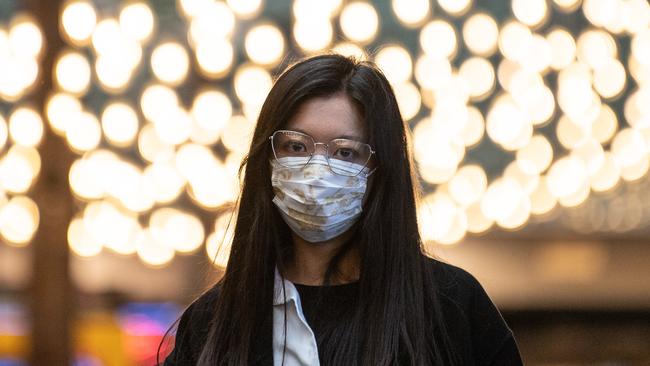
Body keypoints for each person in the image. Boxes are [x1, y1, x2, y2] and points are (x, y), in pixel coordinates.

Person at [160, 53, 524, 366]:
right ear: (265, 160)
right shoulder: (213, 321)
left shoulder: (451, 306)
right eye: (296, 147)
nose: (318, 170)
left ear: (380, 171)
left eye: (345, 152)